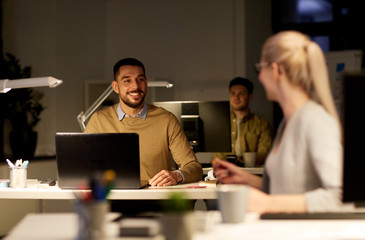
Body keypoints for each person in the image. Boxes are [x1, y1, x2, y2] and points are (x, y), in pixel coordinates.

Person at [213, 31, 354, 213]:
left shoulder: (315, 121)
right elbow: (291, 190)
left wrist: (268, 204)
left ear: (276, 70)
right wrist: (247, 179)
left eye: (260, 68)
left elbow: (341, 196)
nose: (261, 77)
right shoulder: (287, 123)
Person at [85, 58, 203, 187]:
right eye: (127, 80)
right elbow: (83, 166)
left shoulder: (166, 119)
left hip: (155, 200)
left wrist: (177, 175)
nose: (135, 86)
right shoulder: (99, 120)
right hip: (114, 200)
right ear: (115, 87)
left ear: (146, 82)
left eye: (140, 79)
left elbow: (194, 168)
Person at [213, 77, 272, 166]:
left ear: (250, 97)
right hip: (224, 171)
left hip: (251, 173)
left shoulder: (262, 124)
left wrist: (246, 160)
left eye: (242, 93)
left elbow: (264, 152)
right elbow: (215, 152)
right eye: (233, 93)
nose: (236, 97)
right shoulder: (219, 123)